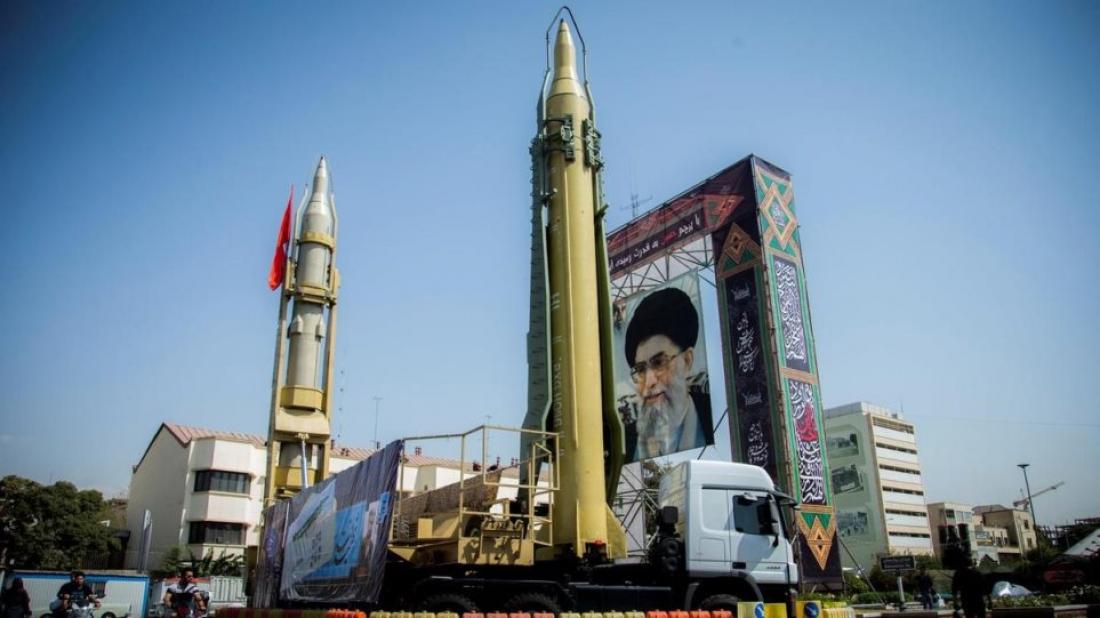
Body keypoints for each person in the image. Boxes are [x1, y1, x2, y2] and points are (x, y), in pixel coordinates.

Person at [623, 286, 713, 460]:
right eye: (640, 369)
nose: (649, 381)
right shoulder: (625, 442)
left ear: (687, 361)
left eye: (658, 363)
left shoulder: (714, 419)